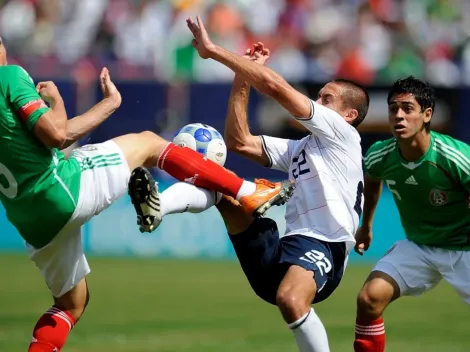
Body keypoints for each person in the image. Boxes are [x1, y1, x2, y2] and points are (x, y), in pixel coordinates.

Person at [0, 36, 291, 352]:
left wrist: (109, 104)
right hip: (61, 187)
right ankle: (248, 190)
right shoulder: (9, 76)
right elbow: (57, 134)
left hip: (27, 217)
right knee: (151, 143)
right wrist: (56, 100)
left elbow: (47, 140)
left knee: (70, 304)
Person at [130, 18, 369, 350]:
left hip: (325, 245)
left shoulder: (342, 136)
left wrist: (214, 52)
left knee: (291, 299)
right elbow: (238, 141)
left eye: (327, 99)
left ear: (348, 116)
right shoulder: (302, 148)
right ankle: (159, 207)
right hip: (286, 250)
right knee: (220, 188)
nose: (318, 103)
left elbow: (275, 87)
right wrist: (243, 75)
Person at [353, 76, 470, 352]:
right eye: (394, 108)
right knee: (369, 297)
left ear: (427, 114)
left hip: (464, 247)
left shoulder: (454, 157)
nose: (399, 116)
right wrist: (365, 226)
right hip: (419, 246)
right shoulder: (379, 155)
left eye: (407, 108)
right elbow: (372, 180)